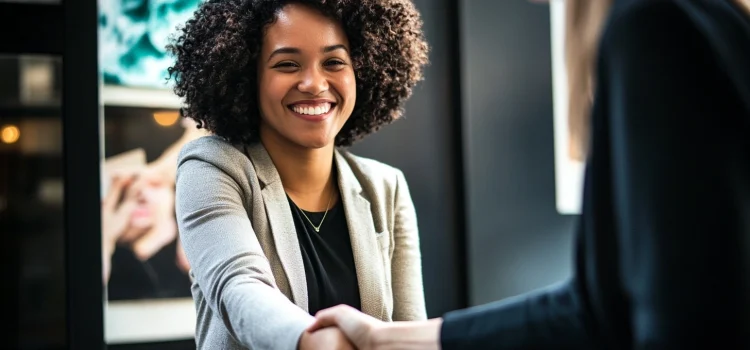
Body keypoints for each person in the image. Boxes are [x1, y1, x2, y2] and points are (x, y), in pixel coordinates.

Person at [309, 0, 750, 348]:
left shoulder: (653, 28)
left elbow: (683, 322)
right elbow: (598, 309)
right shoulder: (694, 18)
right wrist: (385, 339)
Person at [168, 0, 430, 349]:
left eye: (334, 62)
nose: (313, 83)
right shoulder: (212, 167)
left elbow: (409, 331)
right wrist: (317, 342)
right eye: (287, 64)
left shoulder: (386, 186)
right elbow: (240, 288)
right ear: (249, 76)